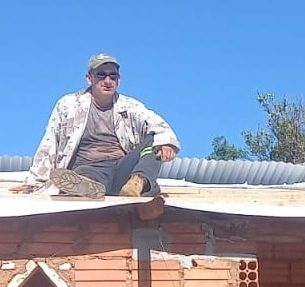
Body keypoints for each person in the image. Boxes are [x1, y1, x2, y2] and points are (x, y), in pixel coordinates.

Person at [10, 53, 179, 198]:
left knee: (154, 140)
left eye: (113, 76)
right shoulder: (68, 104)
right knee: (85, 176)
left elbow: (157, 124)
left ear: (118, 81)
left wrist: (167, 143)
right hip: (89, 168)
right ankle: (86, 187)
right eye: (101, 75)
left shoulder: (130, 106)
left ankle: (137, 183)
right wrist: (33, 182)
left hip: (123, 169)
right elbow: (50, 142)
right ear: (89, 78)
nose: (107, 80)